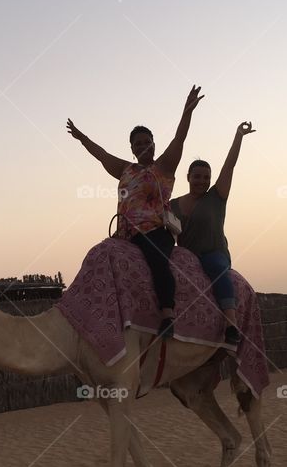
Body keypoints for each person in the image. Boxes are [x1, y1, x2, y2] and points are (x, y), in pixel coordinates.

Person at [67, 86, 204, 338]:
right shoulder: (125, 169)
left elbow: (179, 140)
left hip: (154, 232)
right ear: (132, 148)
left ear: (153, 144)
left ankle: (167, 314)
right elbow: (101, 154)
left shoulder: (163, 167)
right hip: (125, 235)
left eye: (146, 142)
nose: (142, 146)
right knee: (100, 256)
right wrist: (81, 137)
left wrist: (187, 111)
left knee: (157, 261)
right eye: (137, 143)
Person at [171, 121, 255, 345]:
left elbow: (230, 166)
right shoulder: (173, 205)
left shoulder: (216, 197)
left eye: (206, 177)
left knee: (218, 269)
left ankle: (231, 323)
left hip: (213, 253)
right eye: (197, 176)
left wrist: (238, 136)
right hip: (186, 256)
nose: (202, 181)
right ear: (188, 177)